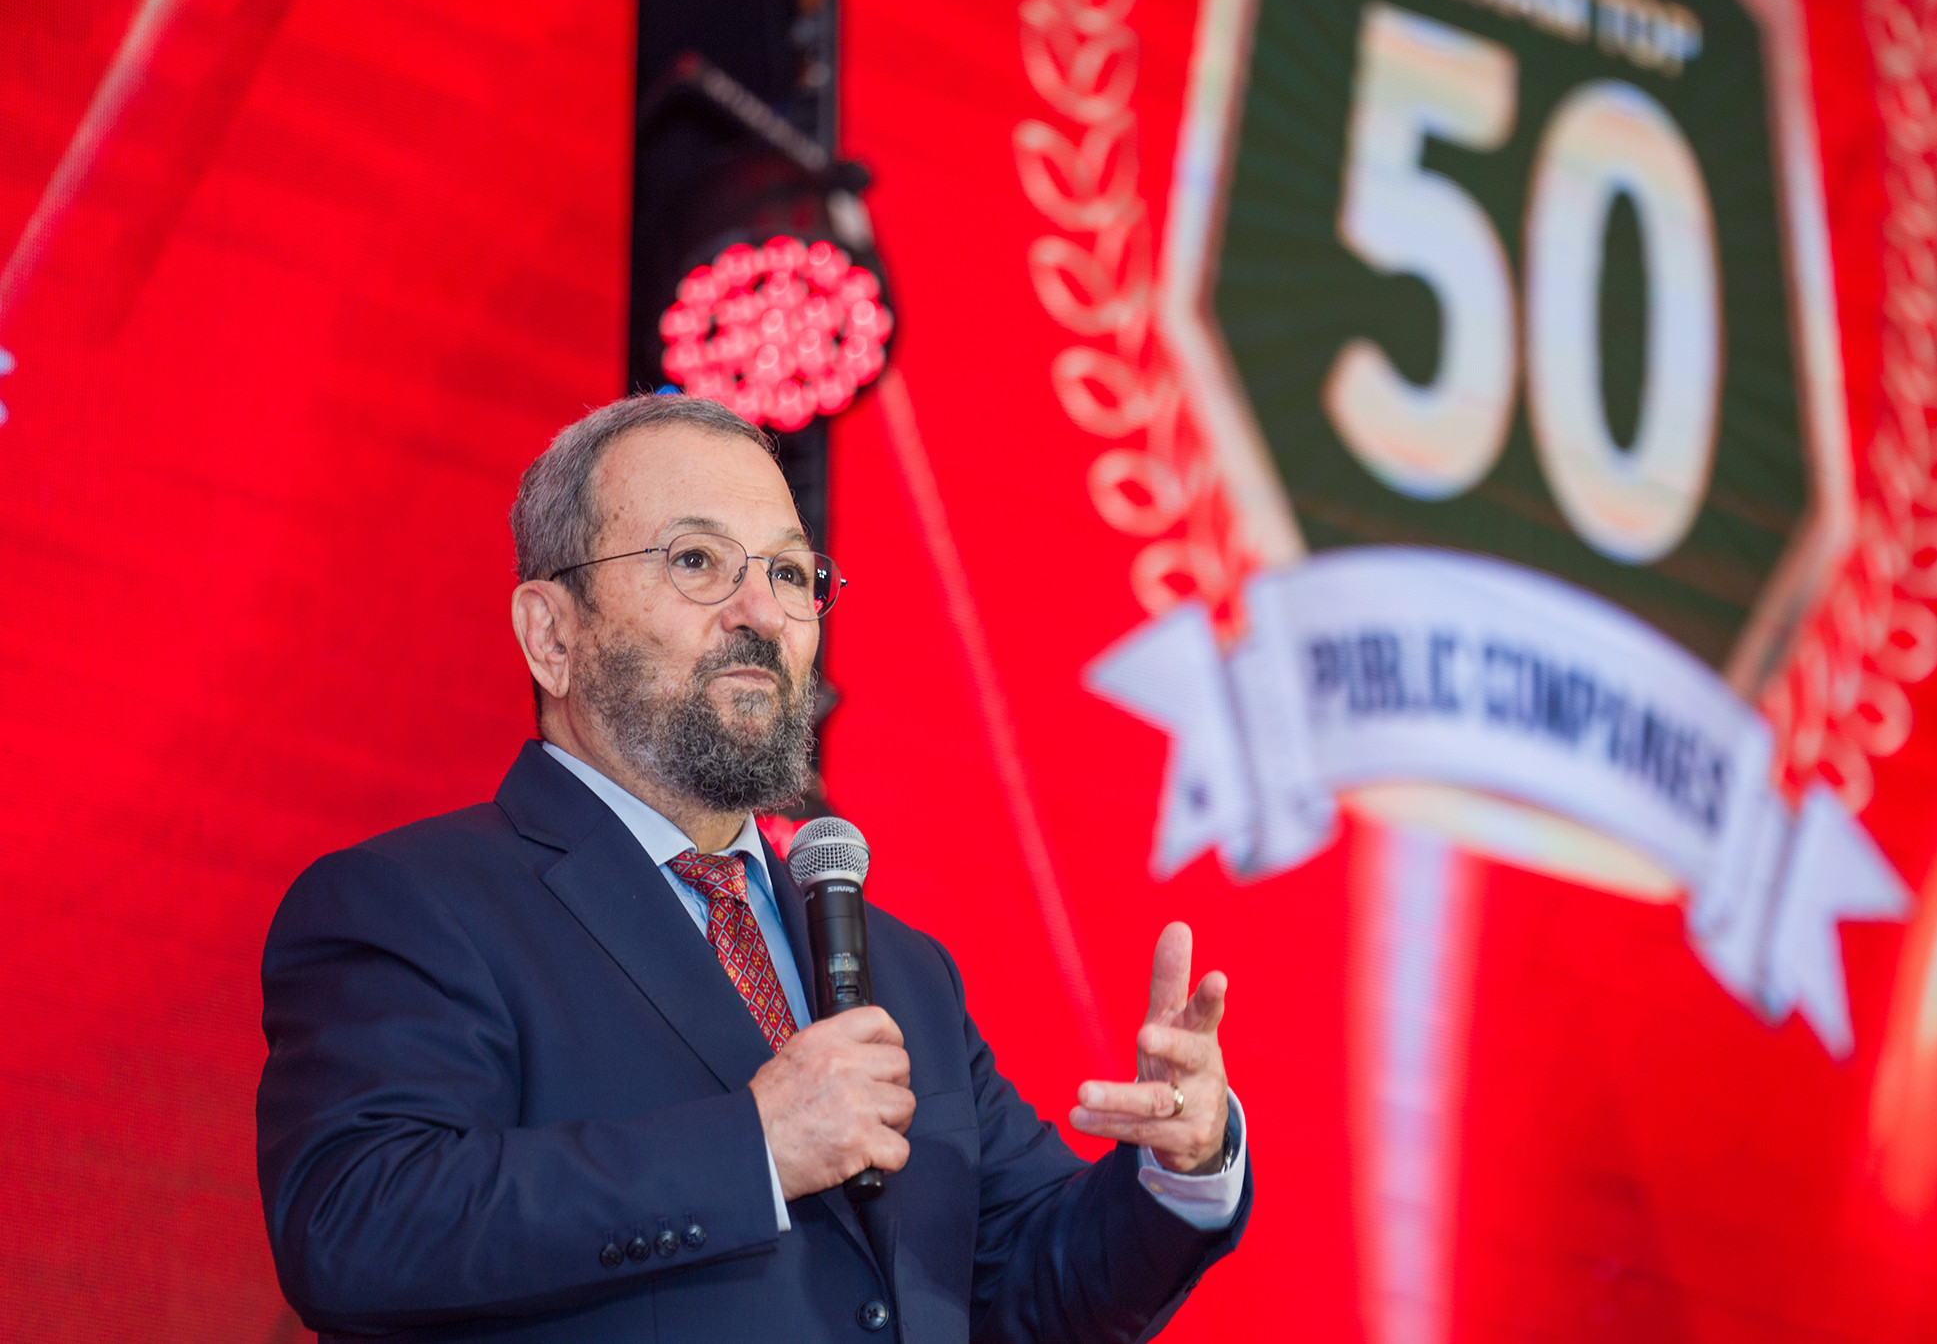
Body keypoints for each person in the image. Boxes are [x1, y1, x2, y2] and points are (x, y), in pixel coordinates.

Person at [255, 394, 1250, 1343]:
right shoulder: (412, 906)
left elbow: (1021, 1282)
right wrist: (753, 1152)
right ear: (551, 634)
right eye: (697, 560)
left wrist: (1186, 1164)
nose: (762, 613)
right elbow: (356, 1224)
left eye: (787, 573)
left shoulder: (904, 972)